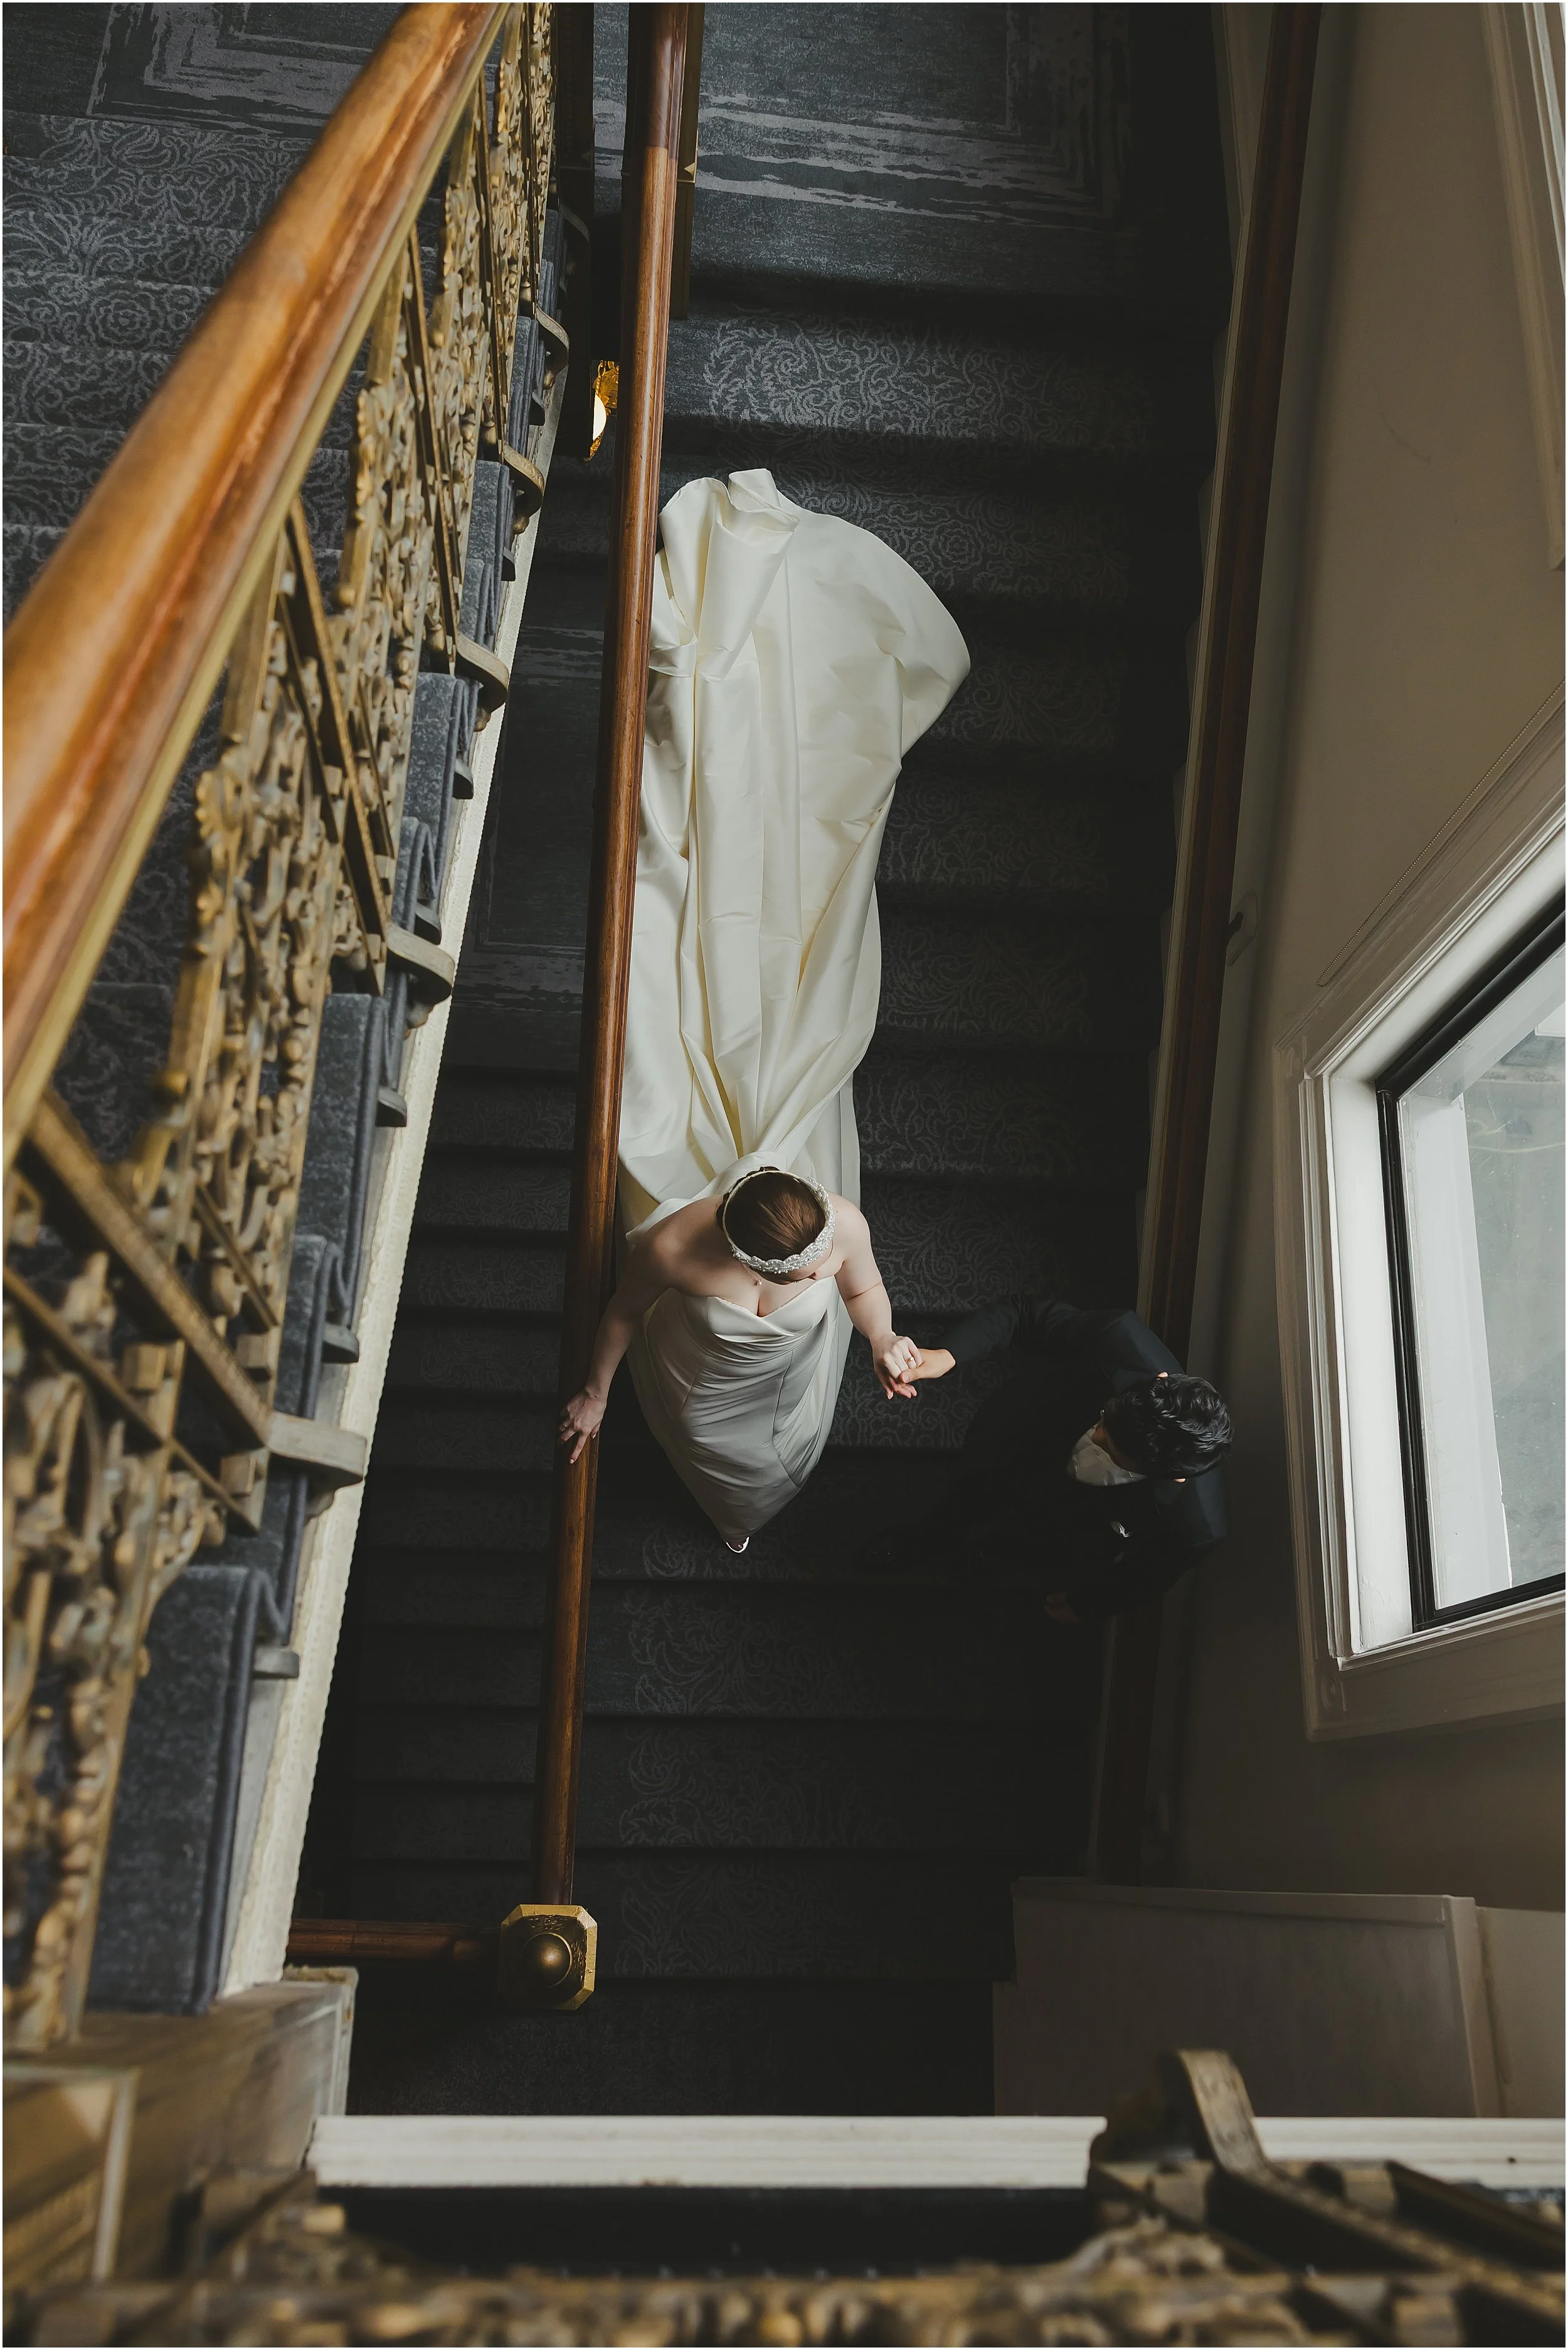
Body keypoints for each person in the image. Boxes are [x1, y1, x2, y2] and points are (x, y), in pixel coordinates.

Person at [559, 469, 969, 1549]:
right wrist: (599, 1394)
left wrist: (882, 1344)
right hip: (703, 1382)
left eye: (806, 1266)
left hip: (782, 1373)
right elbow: (616, 1318)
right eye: (794, 1268)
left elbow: (866, 1294)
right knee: (709, 1430)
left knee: (780, 1435)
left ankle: (753, 1498)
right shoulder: (678, 1244)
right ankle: (722, 1490)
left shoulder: (841, 1229)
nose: (812, 1274)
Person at [861, 1297, 1232, 1620]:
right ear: (1161, 1379)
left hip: (1064, 1525)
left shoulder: (1196, 1526)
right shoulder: (1120, 1337)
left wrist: (1088, 1605)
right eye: (1108, 1416)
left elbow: (1145, 1576)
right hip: (1020, 1441)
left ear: (1174, 1477)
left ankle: (983, 1562)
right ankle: (924, 1539)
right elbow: (1023, 1314)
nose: (1097, 1432)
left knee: (1015, 1552)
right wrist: (947, 1355)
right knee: (967, 1496)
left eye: (1112, 1448)